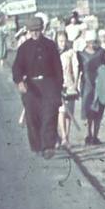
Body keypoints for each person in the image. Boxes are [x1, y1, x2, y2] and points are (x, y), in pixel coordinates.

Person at [10, 14, 64, 158]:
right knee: (32, 118)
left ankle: (48, 147)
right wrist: (19, 81)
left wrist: (58, 88)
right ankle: (37, 146)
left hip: (49, 85)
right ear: (28, 31)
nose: (35, 33)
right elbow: (16, 68)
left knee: (49, 116)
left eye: (38, 30)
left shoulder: (50, 46)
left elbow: (58, 69)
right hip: (31, 87)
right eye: (32, 30)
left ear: (42, 29)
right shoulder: (23, 48)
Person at [77, 29, 105, 146]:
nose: (92, 44)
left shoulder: (101, 53)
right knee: (89, 111)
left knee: (99, 111)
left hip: (100, 84)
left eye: (94, 42)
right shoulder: (81, 54)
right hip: (87, 85)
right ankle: (89, 134)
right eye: (90, 42)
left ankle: (96, 136)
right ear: (86, 42)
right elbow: (78, 70)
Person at [57, 29, 82, 148]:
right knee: (61, 110)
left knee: (69, 112)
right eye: (60, 41)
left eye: (64, 41)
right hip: (58, 85)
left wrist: (76, 84)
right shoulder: (54, 53)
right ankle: (63, 137)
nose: (62, 43)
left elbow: (76, 69)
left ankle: (67, 135)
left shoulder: (71, 53)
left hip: (70, 84)